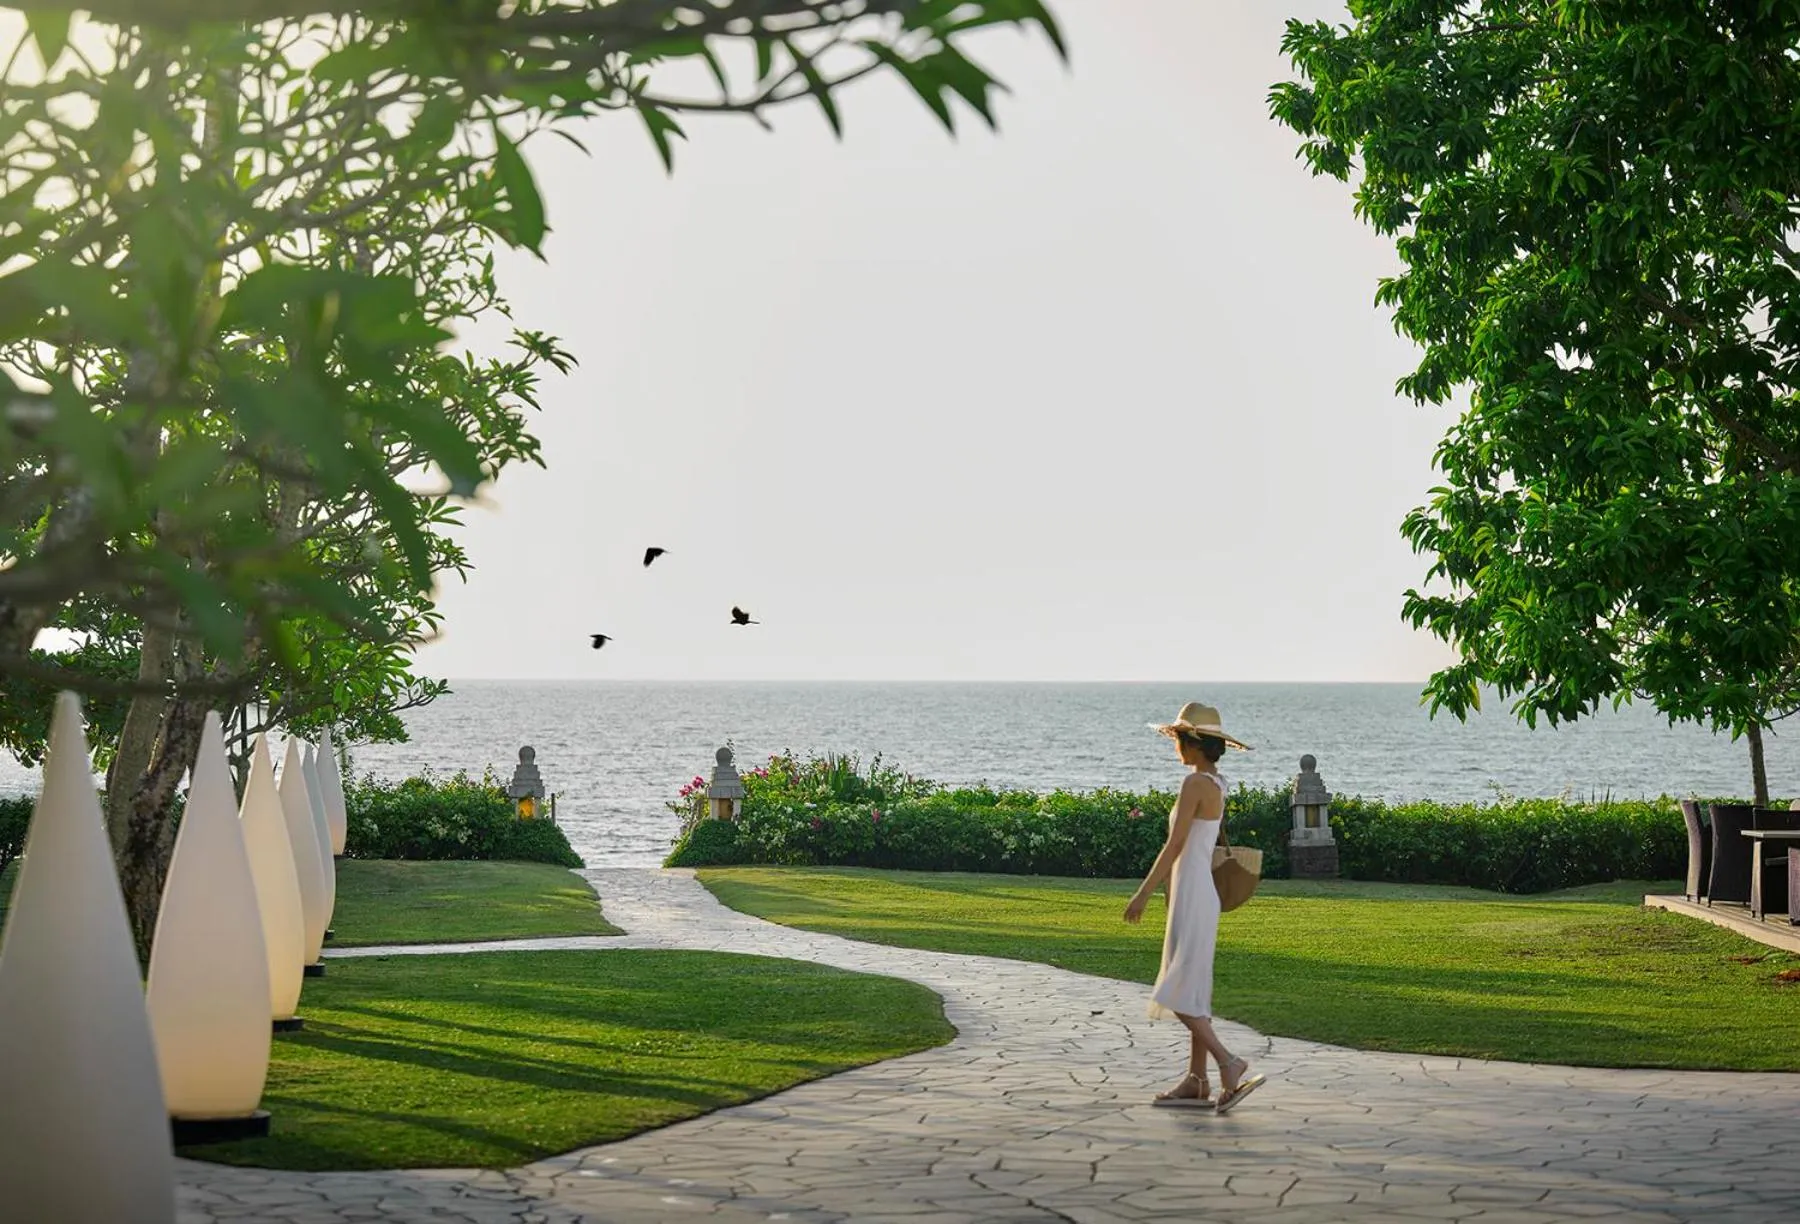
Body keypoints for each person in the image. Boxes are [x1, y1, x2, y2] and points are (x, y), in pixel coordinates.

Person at [1124, 701, 1266, 1114]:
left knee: (1178, 988)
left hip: (1194, 892)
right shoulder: (1216, 783)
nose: (1175, 747)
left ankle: (1228, 1062)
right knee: (1193, 987)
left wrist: (1144, 892)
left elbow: (1175, 846)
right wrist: (1170, 888)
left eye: (1179, 740)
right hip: (1195, 890)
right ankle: (1196, 1079)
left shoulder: (1194, 785)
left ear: (1193, 743)